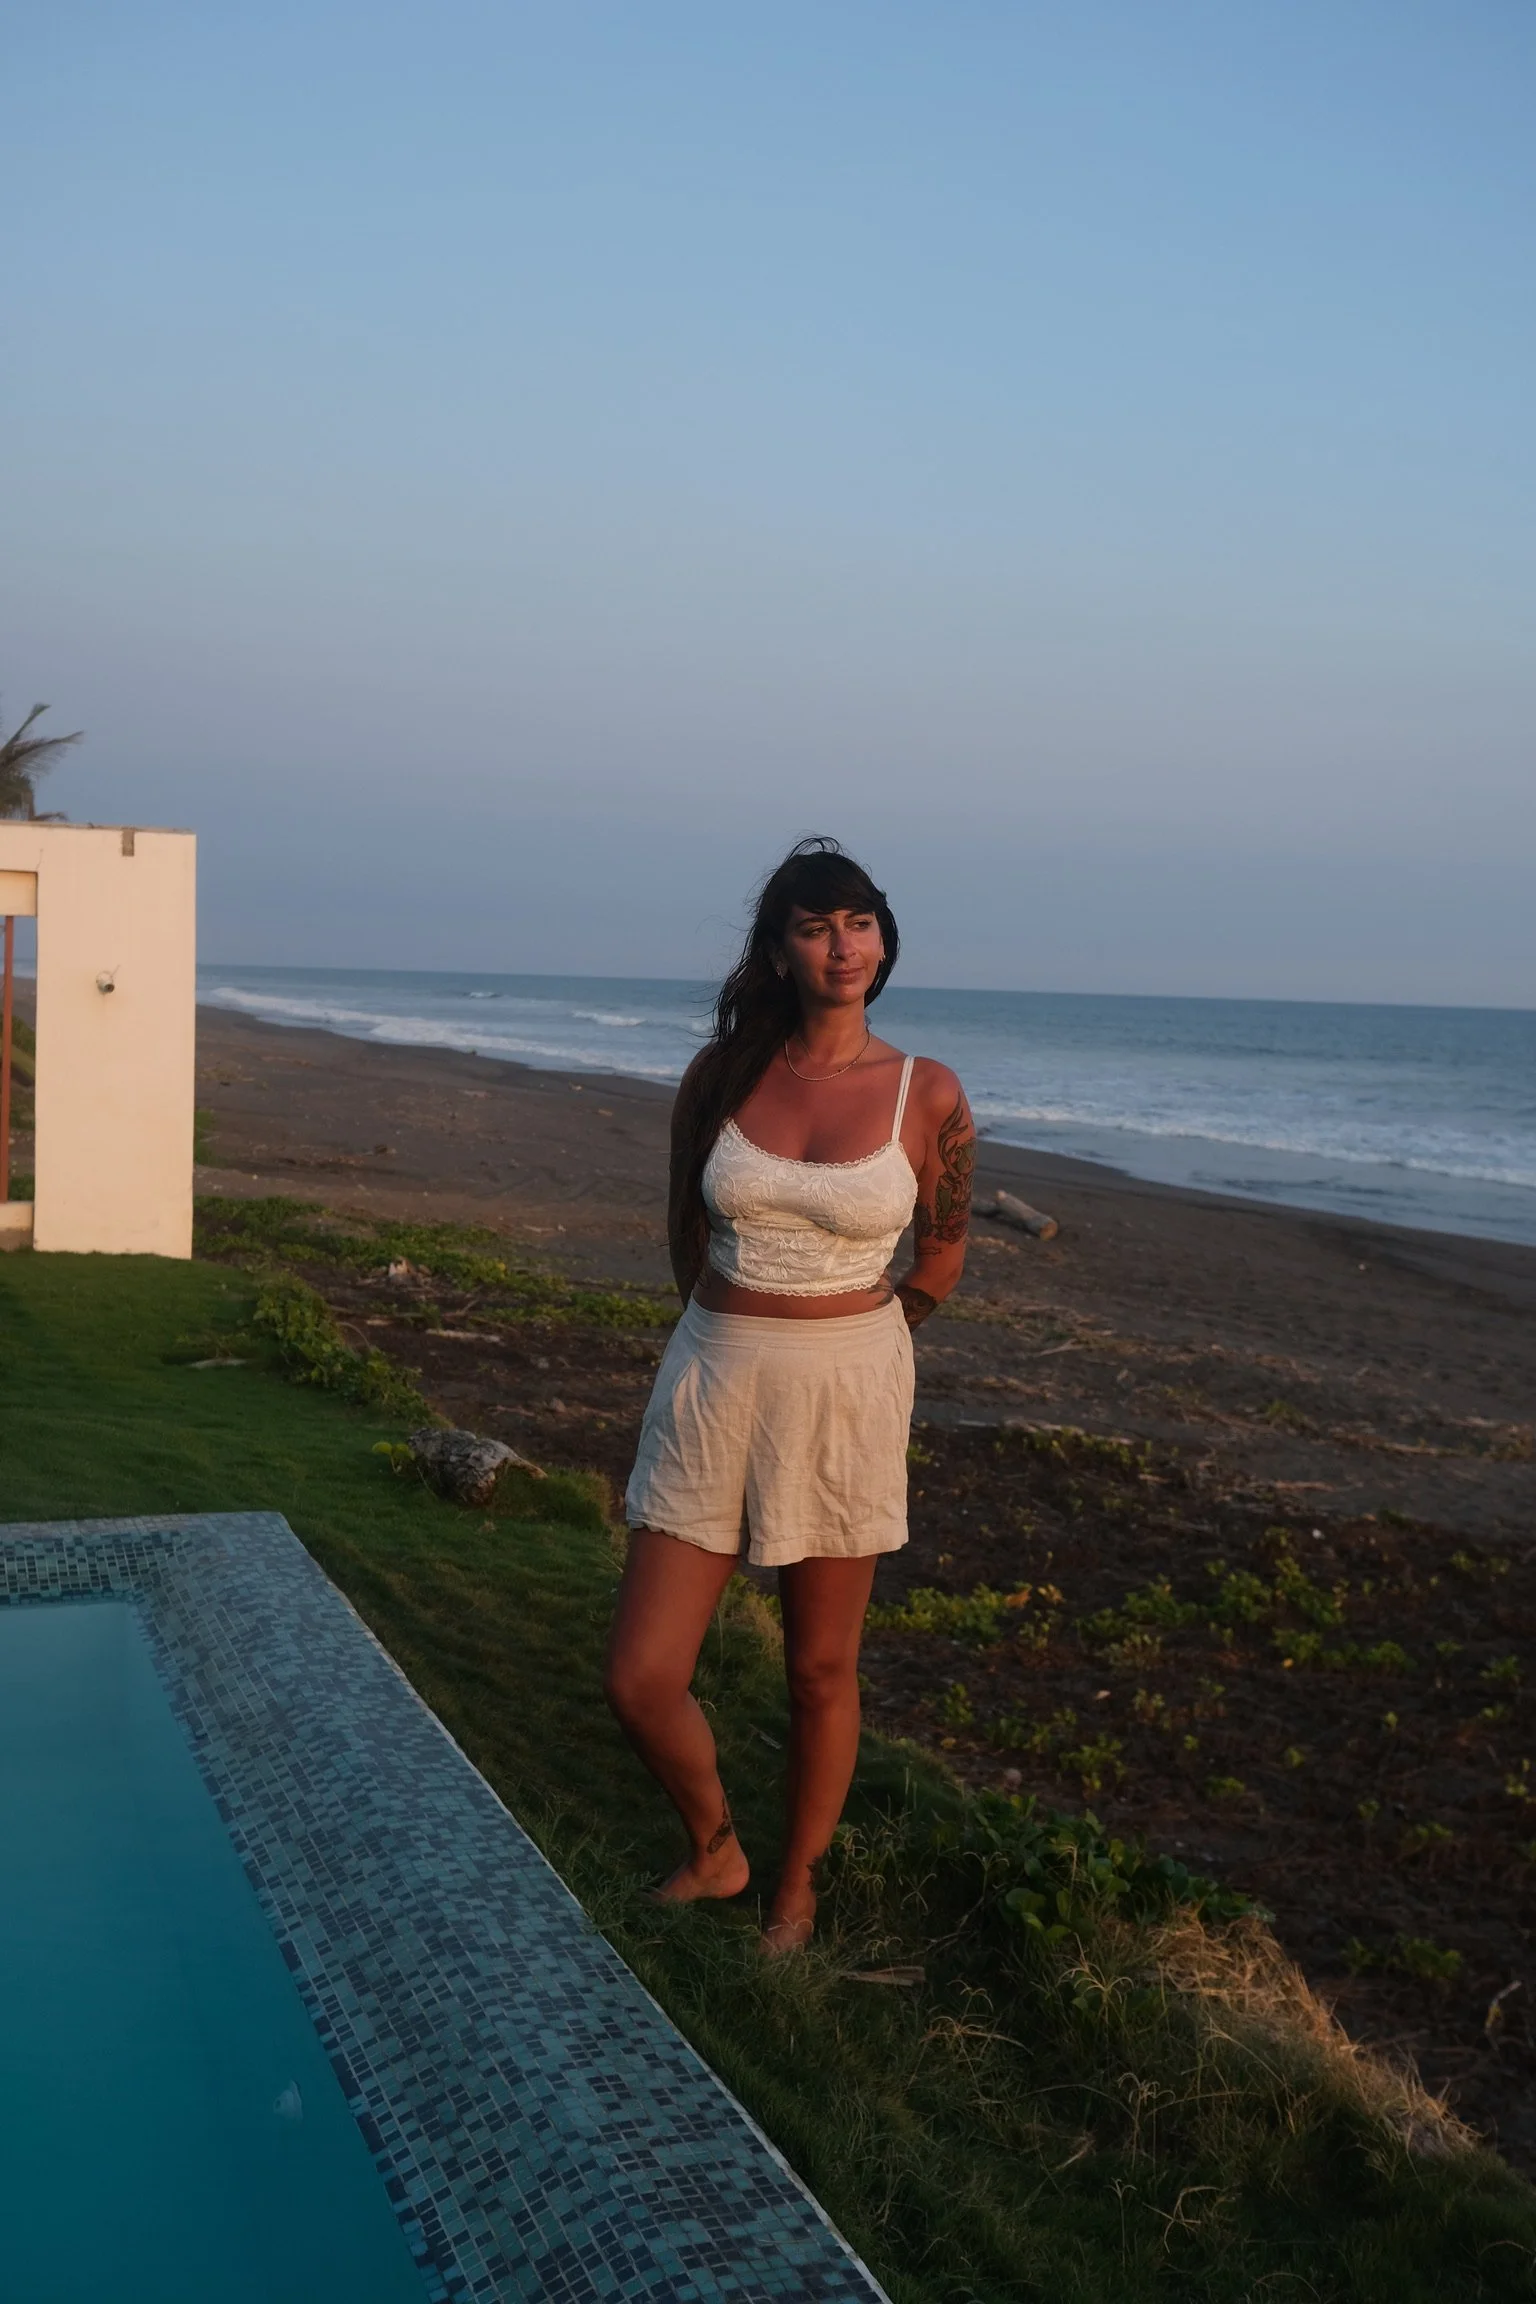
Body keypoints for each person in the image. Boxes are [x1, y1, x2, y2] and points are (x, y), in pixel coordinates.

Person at [604, 837, 976, 1952]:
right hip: (713, 1378)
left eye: (858, 923)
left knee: (819, 1667)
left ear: (882, 939)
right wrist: (734, 1330)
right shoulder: (721, 1079)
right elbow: (684, 1232)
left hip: (847, 1395)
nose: (841, 946)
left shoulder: (930, 1094)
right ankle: (716, 1849)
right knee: (641, 1674)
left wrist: (857, 1349)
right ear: (778, 950)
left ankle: (796, 1887)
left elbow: (941, 1264)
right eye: (815, 927)